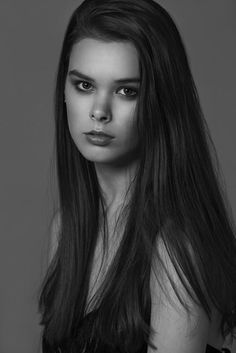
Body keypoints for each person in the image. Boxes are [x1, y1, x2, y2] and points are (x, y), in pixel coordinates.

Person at [39, 0, 236, 352]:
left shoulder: (177, 249)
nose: (99, 111)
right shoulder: (67, 228)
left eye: (126, 91)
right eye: (84, 85)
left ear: (161, 102)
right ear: (64, 93)